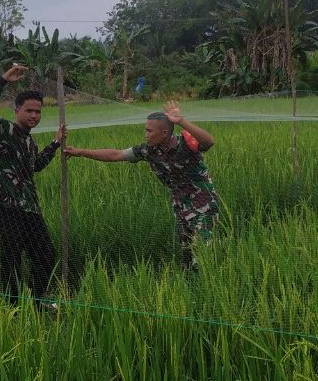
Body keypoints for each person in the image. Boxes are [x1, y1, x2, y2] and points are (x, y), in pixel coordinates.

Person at [64, 100, 218, 269]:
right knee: (187, 253)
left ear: (165, 133)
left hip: (203, 206)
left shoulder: (186, 144)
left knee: (202, 254)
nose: (146, 134)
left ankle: (207, 286)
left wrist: (181, 121)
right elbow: (116, 155)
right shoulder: (148, 150)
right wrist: (81, 152)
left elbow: (209, 142)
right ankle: (191, 284)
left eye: (149, 131)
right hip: (180, 206)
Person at [0, 63, 66, 305]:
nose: (34, 116)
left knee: (46, 254)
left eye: (38, 112)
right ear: (17, 110)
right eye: (29, 111)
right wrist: (4, 79)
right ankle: (12, 307)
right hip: (6, 205)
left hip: (29, 206)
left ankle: (39, 300)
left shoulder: (30, 142)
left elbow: (36, 165)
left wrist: (55, 143)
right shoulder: (2, 130)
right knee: (12, 256)